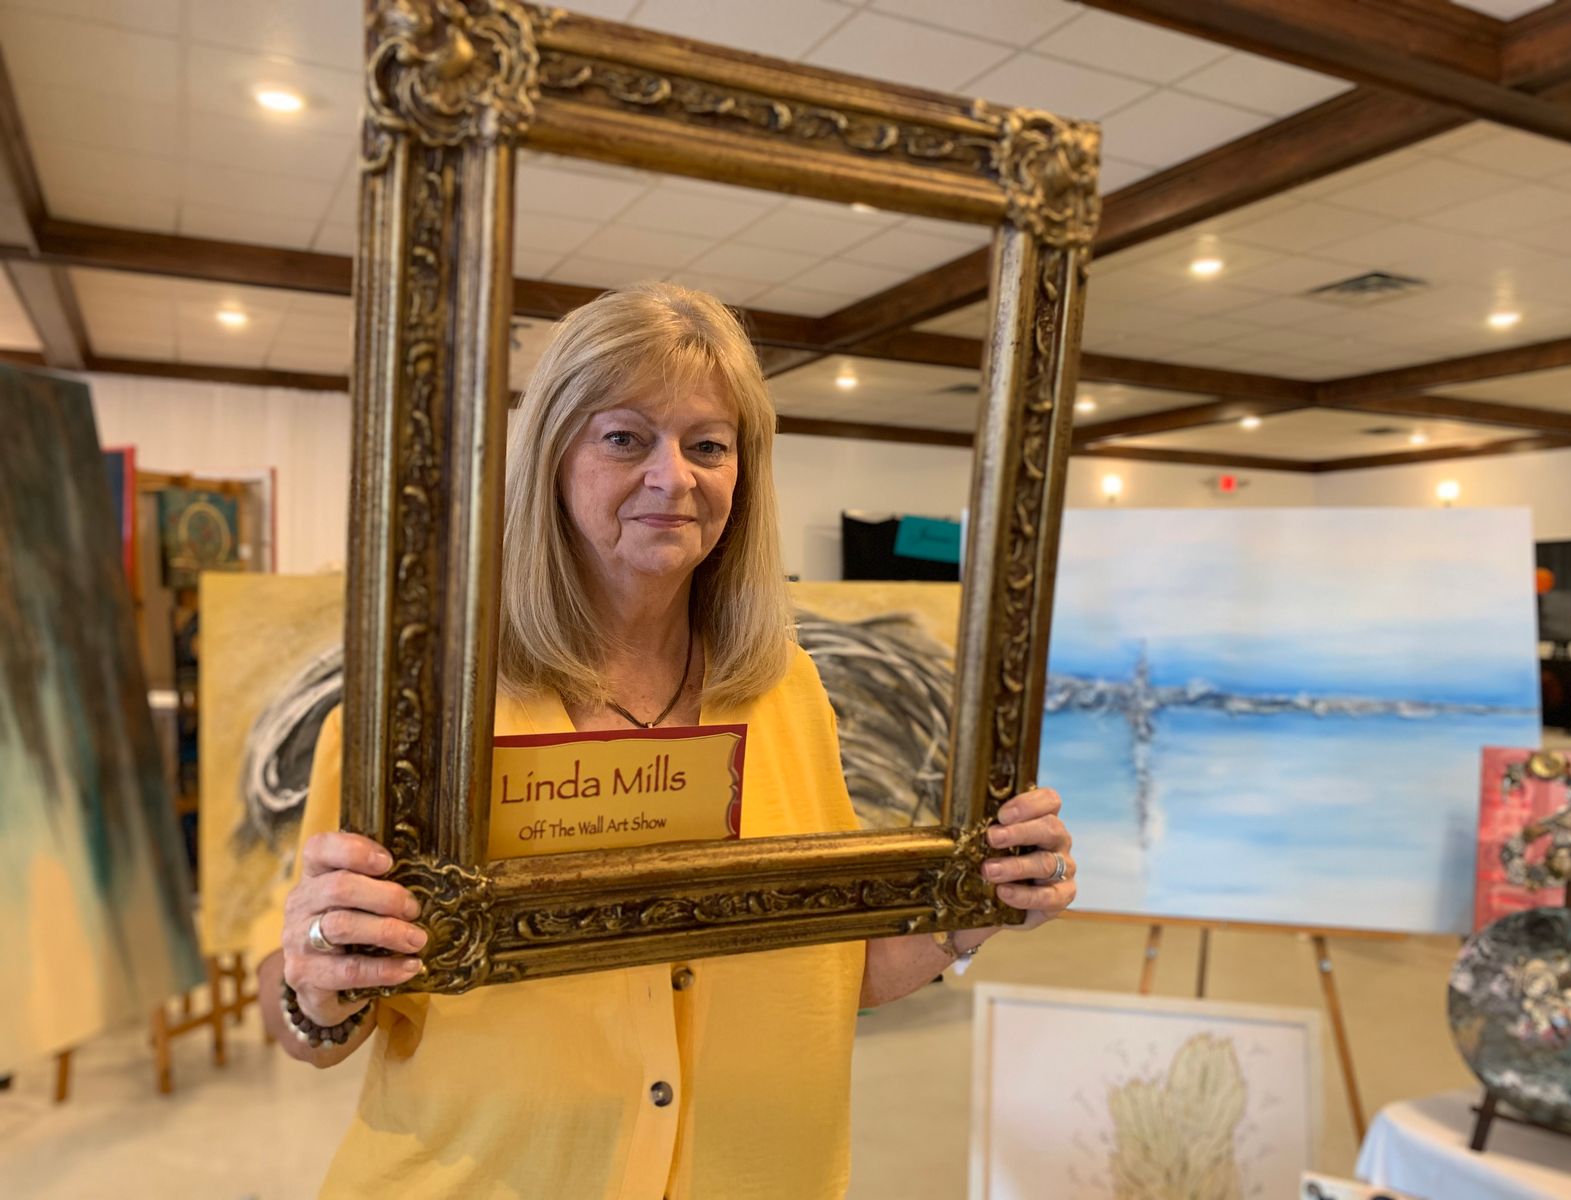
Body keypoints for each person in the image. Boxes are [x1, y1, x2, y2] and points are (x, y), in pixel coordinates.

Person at [255, 282, 1076, 1198]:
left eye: (709, 445)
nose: (673, 476)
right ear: (551, 458)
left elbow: (836, 969)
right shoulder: (421, 711)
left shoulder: (788, 693)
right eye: (625, 437)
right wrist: (316, 978)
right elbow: (304, 1024)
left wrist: (979, 902)